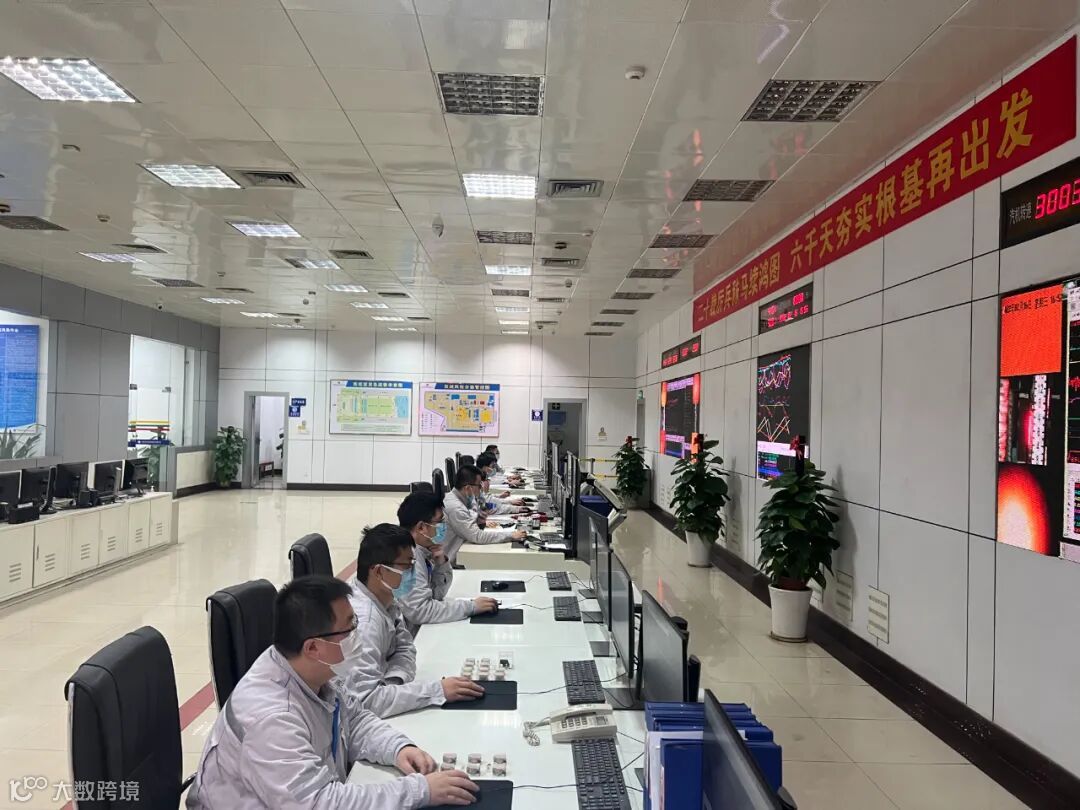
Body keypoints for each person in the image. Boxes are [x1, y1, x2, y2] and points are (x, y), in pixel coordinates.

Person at [186, 575, 478, 809]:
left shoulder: (314, 669)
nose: (357, 636)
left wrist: (398, 748)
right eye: (349, 629)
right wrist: (419, 791)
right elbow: (319, 803)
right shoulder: (271, 718)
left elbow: (355, 719)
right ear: (313, 647)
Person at [339, 524, 485, 718]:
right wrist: (436, 691)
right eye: (407, 567)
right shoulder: (364, 623)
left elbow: (405, 648)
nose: (413, 574)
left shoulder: (385, 597)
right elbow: (366, 701)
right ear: (379, 571)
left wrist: (394, 684)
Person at [396, 492, 497, 634]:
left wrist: (441, 563)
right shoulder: (407, 558)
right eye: (440, 521)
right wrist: (471, 607)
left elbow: (437, 596)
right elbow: (421, 611)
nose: (444, 526)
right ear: (421, 527)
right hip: (413, 636)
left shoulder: (423, 550)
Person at [443, 465, 525, 563]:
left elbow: (484, 509)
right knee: (503, 560)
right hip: (453, 561)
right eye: (479, 485)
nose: (481, 488)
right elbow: (478, 536)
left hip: (463, 550)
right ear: (468, 488)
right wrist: (511, 535)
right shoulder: (456, 507)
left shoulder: (464, 498)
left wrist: (478, 520)